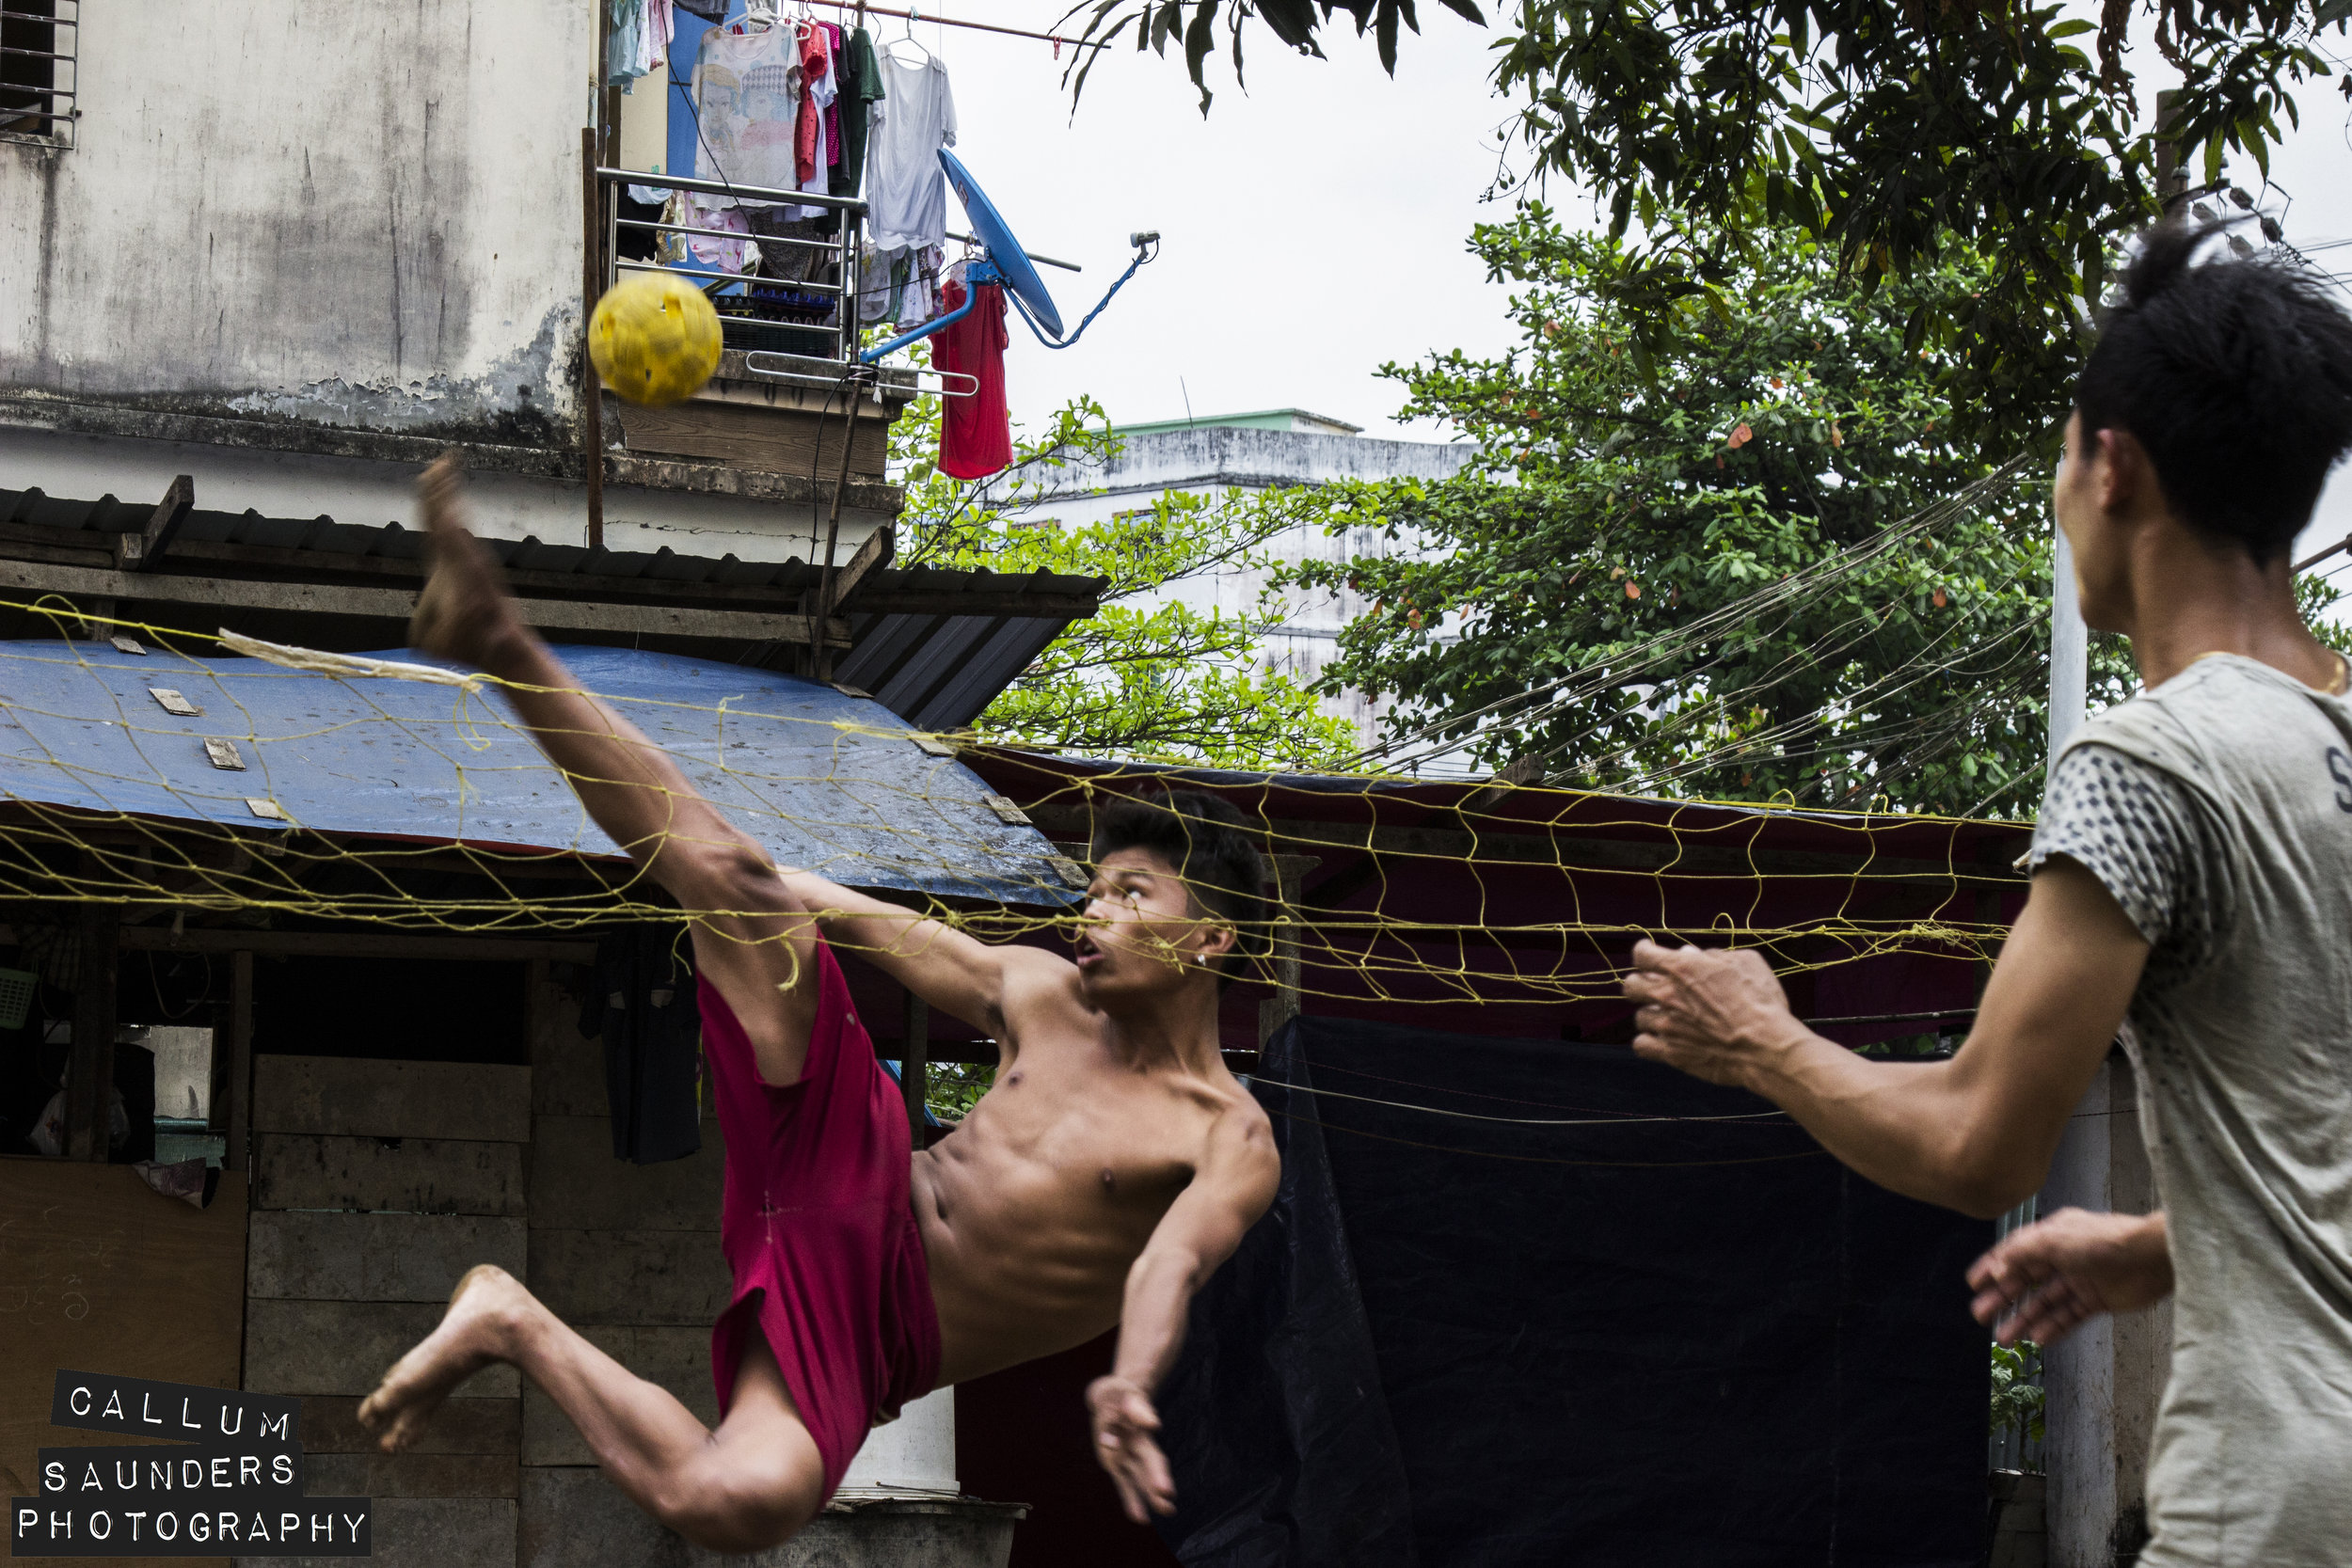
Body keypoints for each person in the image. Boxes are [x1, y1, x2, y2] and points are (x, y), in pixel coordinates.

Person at [354, 458, 1279, 1548]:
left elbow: (1170, 1260)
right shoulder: (1042, 990)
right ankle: (495, 636)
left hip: (877, 1336)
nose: (1095, 914)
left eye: (1132, 894)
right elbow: (892, 932)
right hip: (854, 1167)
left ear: (1209, 937)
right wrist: (720, 881)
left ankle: (507, 1315)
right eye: (1092, 890)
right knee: (747, 890)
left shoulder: (1229, 1133)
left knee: (735, 1502)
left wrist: (1129, 1381)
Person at [1622, 221, 2352, 1565]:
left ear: (2111, 464)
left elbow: (1979, 1143)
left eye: (2063, 460)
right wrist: (2167, 1237)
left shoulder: (2155, 756)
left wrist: (1762, 1039)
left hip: (2278, 1499)